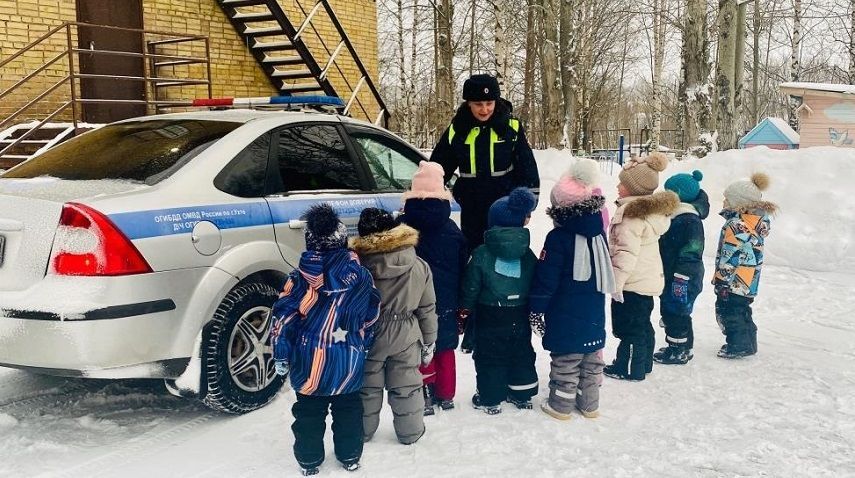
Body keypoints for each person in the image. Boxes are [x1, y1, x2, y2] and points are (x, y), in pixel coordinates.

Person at [270, 204, 381, 476]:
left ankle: (309, 460)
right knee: (349, 412)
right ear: (343, 241)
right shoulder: (362, 276)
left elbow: (283, 320)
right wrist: (363, 342)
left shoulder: (298, 280)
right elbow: (372, 312)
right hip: (348, 361)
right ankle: (350, 455)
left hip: (309, 364)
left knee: (308, 414)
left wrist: (281, 354)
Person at [529, 159, 615, 420]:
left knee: (566, 362)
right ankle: (589, 405)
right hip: (593, 312)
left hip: (565, 312)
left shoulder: (558, 238)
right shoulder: (598, 233)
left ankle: (560, 405)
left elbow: (547, 278)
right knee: (590, 362)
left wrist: (536, 308)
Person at [350, 208, 438, 445]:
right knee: (407, 385)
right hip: (407, 332)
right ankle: (410, 433)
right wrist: (429, 339)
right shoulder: (418, 265)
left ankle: (362, 432)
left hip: (369, 334)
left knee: (367, 387)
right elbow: (427, 307)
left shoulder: (357, 268)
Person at [430, 73, 540, 250]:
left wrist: (526, 207)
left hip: (505, 208)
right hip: (471, 208)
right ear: (468, 103)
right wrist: (424, 196)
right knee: (475, 258)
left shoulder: (511, 127)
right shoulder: (457, 129)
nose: (484, 109)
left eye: (489, 103)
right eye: (478, 104)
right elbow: (437, 168)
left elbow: (527, 168)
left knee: (505, 256)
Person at [459, 187, 539, 415]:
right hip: (519, 313)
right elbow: (536, 280)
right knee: (521, 351)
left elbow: (471, 285)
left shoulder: (482, 253)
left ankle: (490, 397)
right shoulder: (528, 253)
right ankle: (522, 393)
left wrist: (465, 309)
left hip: (489, 313)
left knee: (490, 355)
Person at [398, 161, 468, 415]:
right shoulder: (452, 230)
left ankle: (425, 393)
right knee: (445, 346)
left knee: (420, 347)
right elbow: (463, 264)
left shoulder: (403, 229)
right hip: (446, 299)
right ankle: (446, 394)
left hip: (414, 300)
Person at [603, 153, 678, 381]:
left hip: (632, 282)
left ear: (634, 189)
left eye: (623, 183)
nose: (618, 186)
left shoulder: (632, 216)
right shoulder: (650, 214)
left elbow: (625, 252)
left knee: (630, 328)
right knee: (643, 324)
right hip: (646, 280)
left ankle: (628, 368)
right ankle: (643, 363)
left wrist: (615, 283)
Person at [713, 172, 776, 359]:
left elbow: (729, 255)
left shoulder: (736, 225)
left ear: (739, 203)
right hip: (750, 280)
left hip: (734, 281)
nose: (723, 202)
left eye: (727, 199)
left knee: (730, 312)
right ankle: (749, 341)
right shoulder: (758, 223)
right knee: (743, 310)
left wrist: (722, 281)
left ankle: (738, 345)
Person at [654, 170, 709, 365]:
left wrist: (681, 275)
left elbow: (692, 250)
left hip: (683, 275)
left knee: (674, 311)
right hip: (676, 272)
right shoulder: (680, 216)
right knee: (678, 310)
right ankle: (684, 345)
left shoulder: (688, 219)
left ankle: (677, 349)